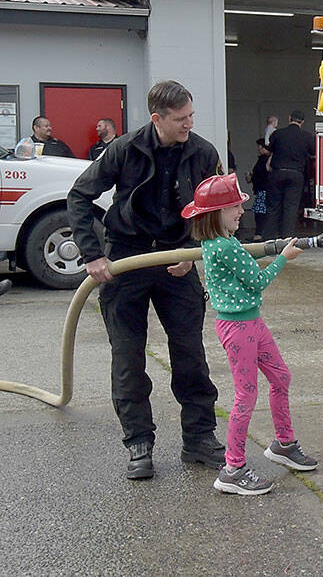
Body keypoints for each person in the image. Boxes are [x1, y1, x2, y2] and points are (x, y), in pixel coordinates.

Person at [66, 80, 226, 480]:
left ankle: (200, 438)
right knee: (128, 357)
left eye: (191, 116)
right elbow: (79, 196)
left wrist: (194, 251)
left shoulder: (203, 152)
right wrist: (93, 255)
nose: (189, 124)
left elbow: (216, 209)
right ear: (157, 118)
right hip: (126, 260)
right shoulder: (124, 149)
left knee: (190, 353)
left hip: (177, 260)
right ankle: (139, 441)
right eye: (180, 119)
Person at [183, 173, 317, 495]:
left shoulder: (223, 243)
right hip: (239, 328)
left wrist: (270, 249)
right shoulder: (223, 247)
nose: (241, 211)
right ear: (217, 214)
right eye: (234, 207)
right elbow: (257, 281)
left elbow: (245, 257)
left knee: (280, 377)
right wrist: (283, 258)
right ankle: (233, 468)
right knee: (246, 396)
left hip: (251, 323)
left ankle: (283, 444)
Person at [262, 110, 314, 240]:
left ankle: (269, 238)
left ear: (289, 118)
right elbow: (313, 153)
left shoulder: (278, 134)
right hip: (296, 174)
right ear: (302, 122)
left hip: (278, 172)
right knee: (291, 207)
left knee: (273, 206)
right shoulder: (307, 137)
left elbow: (268, 151)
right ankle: (287, 238)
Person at [250, 138, 272, 241]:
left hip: (264, 189)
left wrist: (252, 177)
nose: (258, 149)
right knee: (261, 212)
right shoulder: (266, 159)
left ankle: (259, 233)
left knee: (260, 213)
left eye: (260, 147)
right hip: (264, 189)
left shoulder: (264, 159)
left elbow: (260, 173)